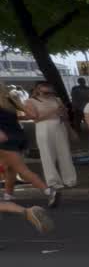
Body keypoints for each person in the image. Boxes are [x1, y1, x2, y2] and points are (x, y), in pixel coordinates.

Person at [0, 89, 58, 226]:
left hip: (5, 140)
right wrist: (15, 117)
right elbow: (32, 115)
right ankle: (8, 196)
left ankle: (49, 191)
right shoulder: (10, 100)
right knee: (10, 168)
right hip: (19, 137)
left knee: (21, 170)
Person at [24, 81, 77, 190]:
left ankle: (70, 179)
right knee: (47, 154)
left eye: (49, 91)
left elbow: (65, 116)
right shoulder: (30, 101)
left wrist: (69, 127)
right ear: (38, 90)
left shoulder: (57, 99)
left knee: (64, 153)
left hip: (59, 126)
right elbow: (35, 118)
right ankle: (53, 181)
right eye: (45, 91)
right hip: (43, 127)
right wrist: (53, 111)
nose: (48, 94)